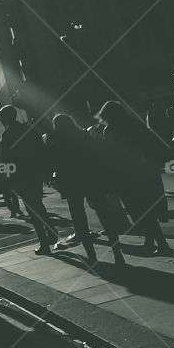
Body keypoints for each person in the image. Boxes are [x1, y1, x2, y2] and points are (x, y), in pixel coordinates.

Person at [46, 114, 126, 268]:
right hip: (91, 179)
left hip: (71, 182)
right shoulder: (83, 135)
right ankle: (117, 253)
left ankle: (92, 256)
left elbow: (53, 162)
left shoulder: (56, 141)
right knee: (104, 216)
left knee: (79, 219)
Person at [97, 101, 171, 255]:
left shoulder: (110, 130)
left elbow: (110, 154)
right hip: (145, 171)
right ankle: (150, 242)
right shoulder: (134, 124)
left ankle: (162, 244)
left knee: (140, 210)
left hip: (125, 175)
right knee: (148, 208)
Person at [0, 106, 58, 254]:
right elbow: (41, 149)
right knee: (38, 203)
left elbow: (6, 160)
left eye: (1, 116)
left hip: (21, 176)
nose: (0, 119)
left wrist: (9, 179)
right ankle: (50, 232)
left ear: (6, 118)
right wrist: (45, 171)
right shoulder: (28, 129)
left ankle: (44, 243)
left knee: (32, 209)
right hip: (35, 172)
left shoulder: (7, 135)